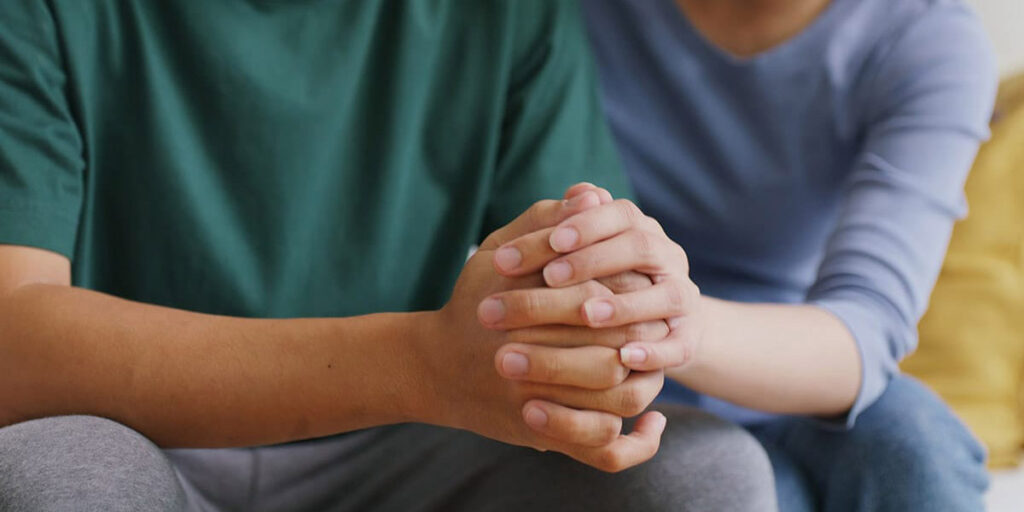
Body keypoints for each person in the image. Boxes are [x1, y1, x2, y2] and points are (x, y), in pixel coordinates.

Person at [0, 1, 779, 511]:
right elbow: (13, 343)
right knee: (57, 478)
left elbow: (582, 290)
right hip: (136, 434)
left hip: (409, 446)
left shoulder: (509, 15)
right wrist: (424, 365)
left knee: (703, 476)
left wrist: (620, 329)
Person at [575, 0, 998, 510]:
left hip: (791, 361)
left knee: (916, 445)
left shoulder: (923, 38)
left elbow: (867, 326)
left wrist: (673, 322)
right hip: (605, 354)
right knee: (738, 483)